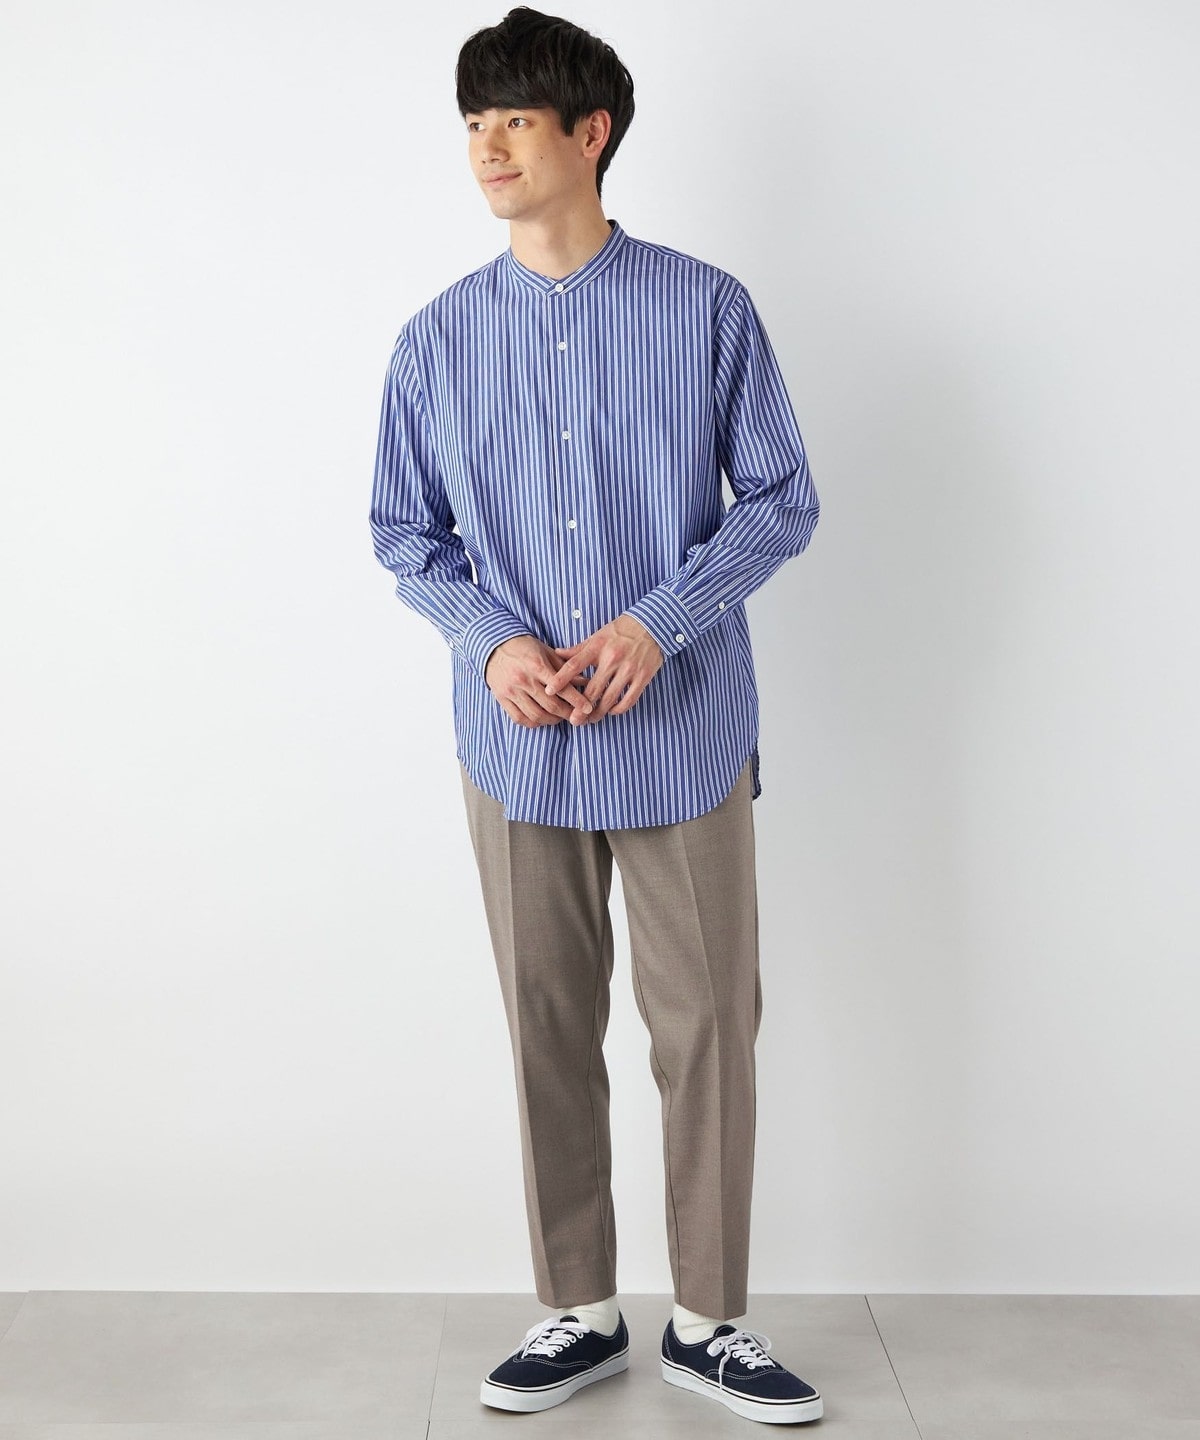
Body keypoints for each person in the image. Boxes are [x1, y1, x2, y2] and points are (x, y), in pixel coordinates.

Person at [368, 6, 822, 1425]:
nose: (487, 147)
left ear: (591, 133)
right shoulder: (435, 339)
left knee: (710, 1028)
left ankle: (712, 1321)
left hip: (684, 737)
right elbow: (402, 533)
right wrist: (492, 642)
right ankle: (578, 1308)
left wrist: (656, 624)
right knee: (546, 1025)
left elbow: (783, 500)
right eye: (473, 122)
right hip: (517, 748)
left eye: (514, 119)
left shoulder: (707, 309)